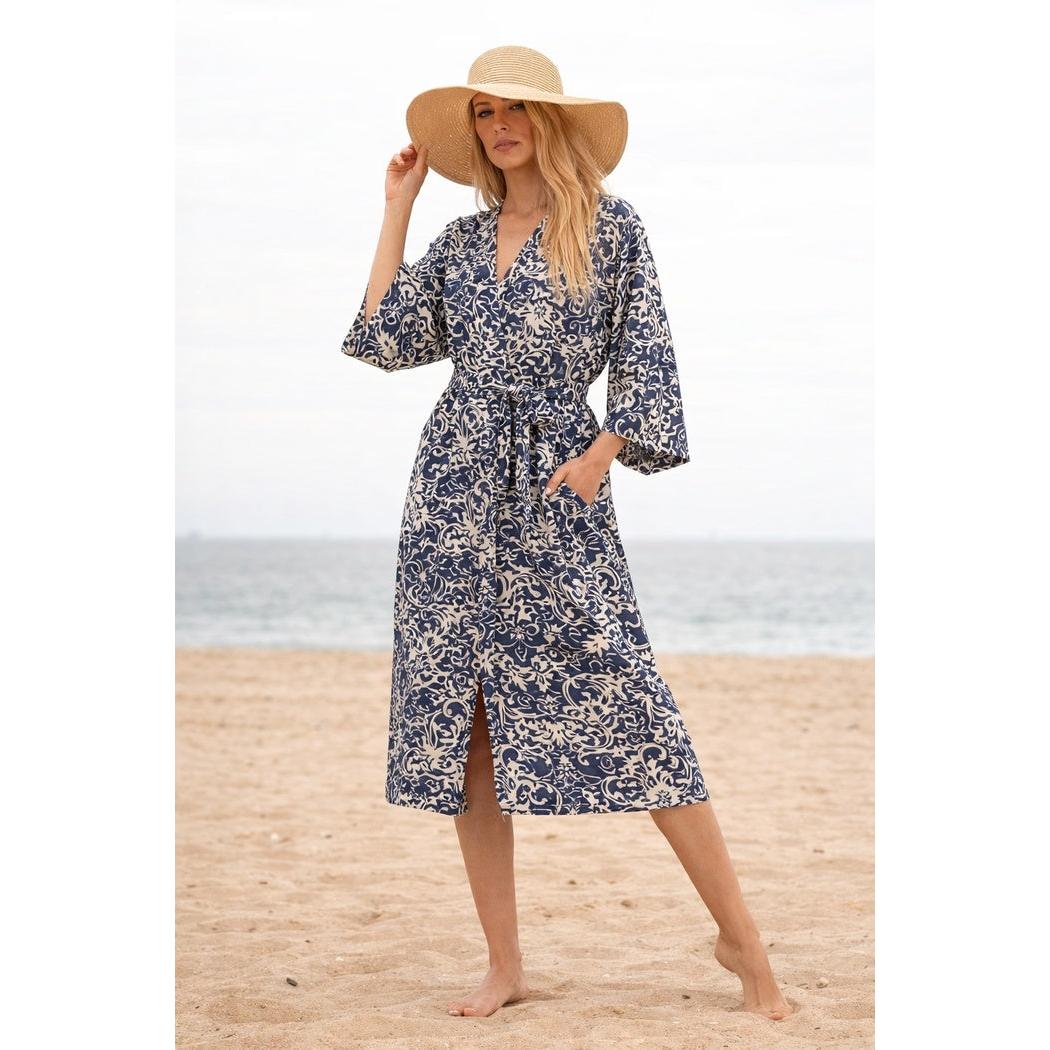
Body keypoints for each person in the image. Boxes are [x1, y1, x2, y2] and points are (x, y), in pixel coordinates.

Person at [340, 45, 794, 1022]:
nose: (499, 127)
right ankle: (505, 965)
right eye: (485, 113)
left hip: (556, 493)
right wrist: (397, 209)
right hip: (453, 495)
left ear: (551, 123)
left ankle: (746, 947)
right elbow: (380, 337)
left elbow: (648, 358)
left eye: (517, 111)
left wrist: (599, 456)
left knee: (635, 703)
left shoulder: (612, 229)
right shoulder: (461, 249)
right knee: (470, 736)